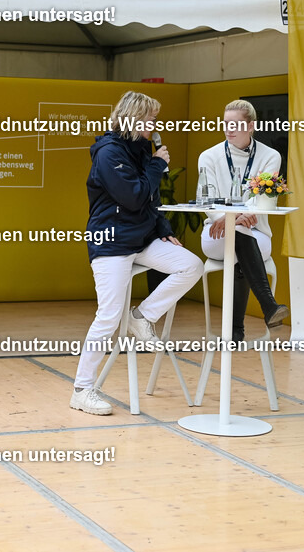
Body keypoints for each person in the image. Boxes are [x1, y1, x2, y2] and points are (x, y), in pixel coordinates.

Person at [71, 91, 203, 416]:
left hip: (142, 239)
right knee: (108, 315)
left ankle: (142, 316)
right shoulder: (109, 153)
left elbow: (150, 199)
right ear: (135, 118)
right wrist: (158, 164)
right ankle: (82, 389)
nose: (155, 126)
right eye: (151, 119)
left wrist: (164, 230)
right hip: (112, 241)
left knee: (191, 265)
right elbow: (132, 196)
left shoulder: (141, 148)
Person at [198, 99, 288, 342]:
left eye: (236, 125)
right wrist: (231, 219)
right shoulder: (208, 156)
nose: (229, 129)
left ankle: (236, 331)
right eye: (226, 124)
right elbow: (208, 201)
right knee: (237, 236)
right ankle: (268, 306)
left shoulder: (271, 156)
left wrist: (236, 218)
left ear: (251, 126)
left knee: (241, 239)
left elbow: (263, 200)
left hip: (256, 233)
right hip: (216, 234)